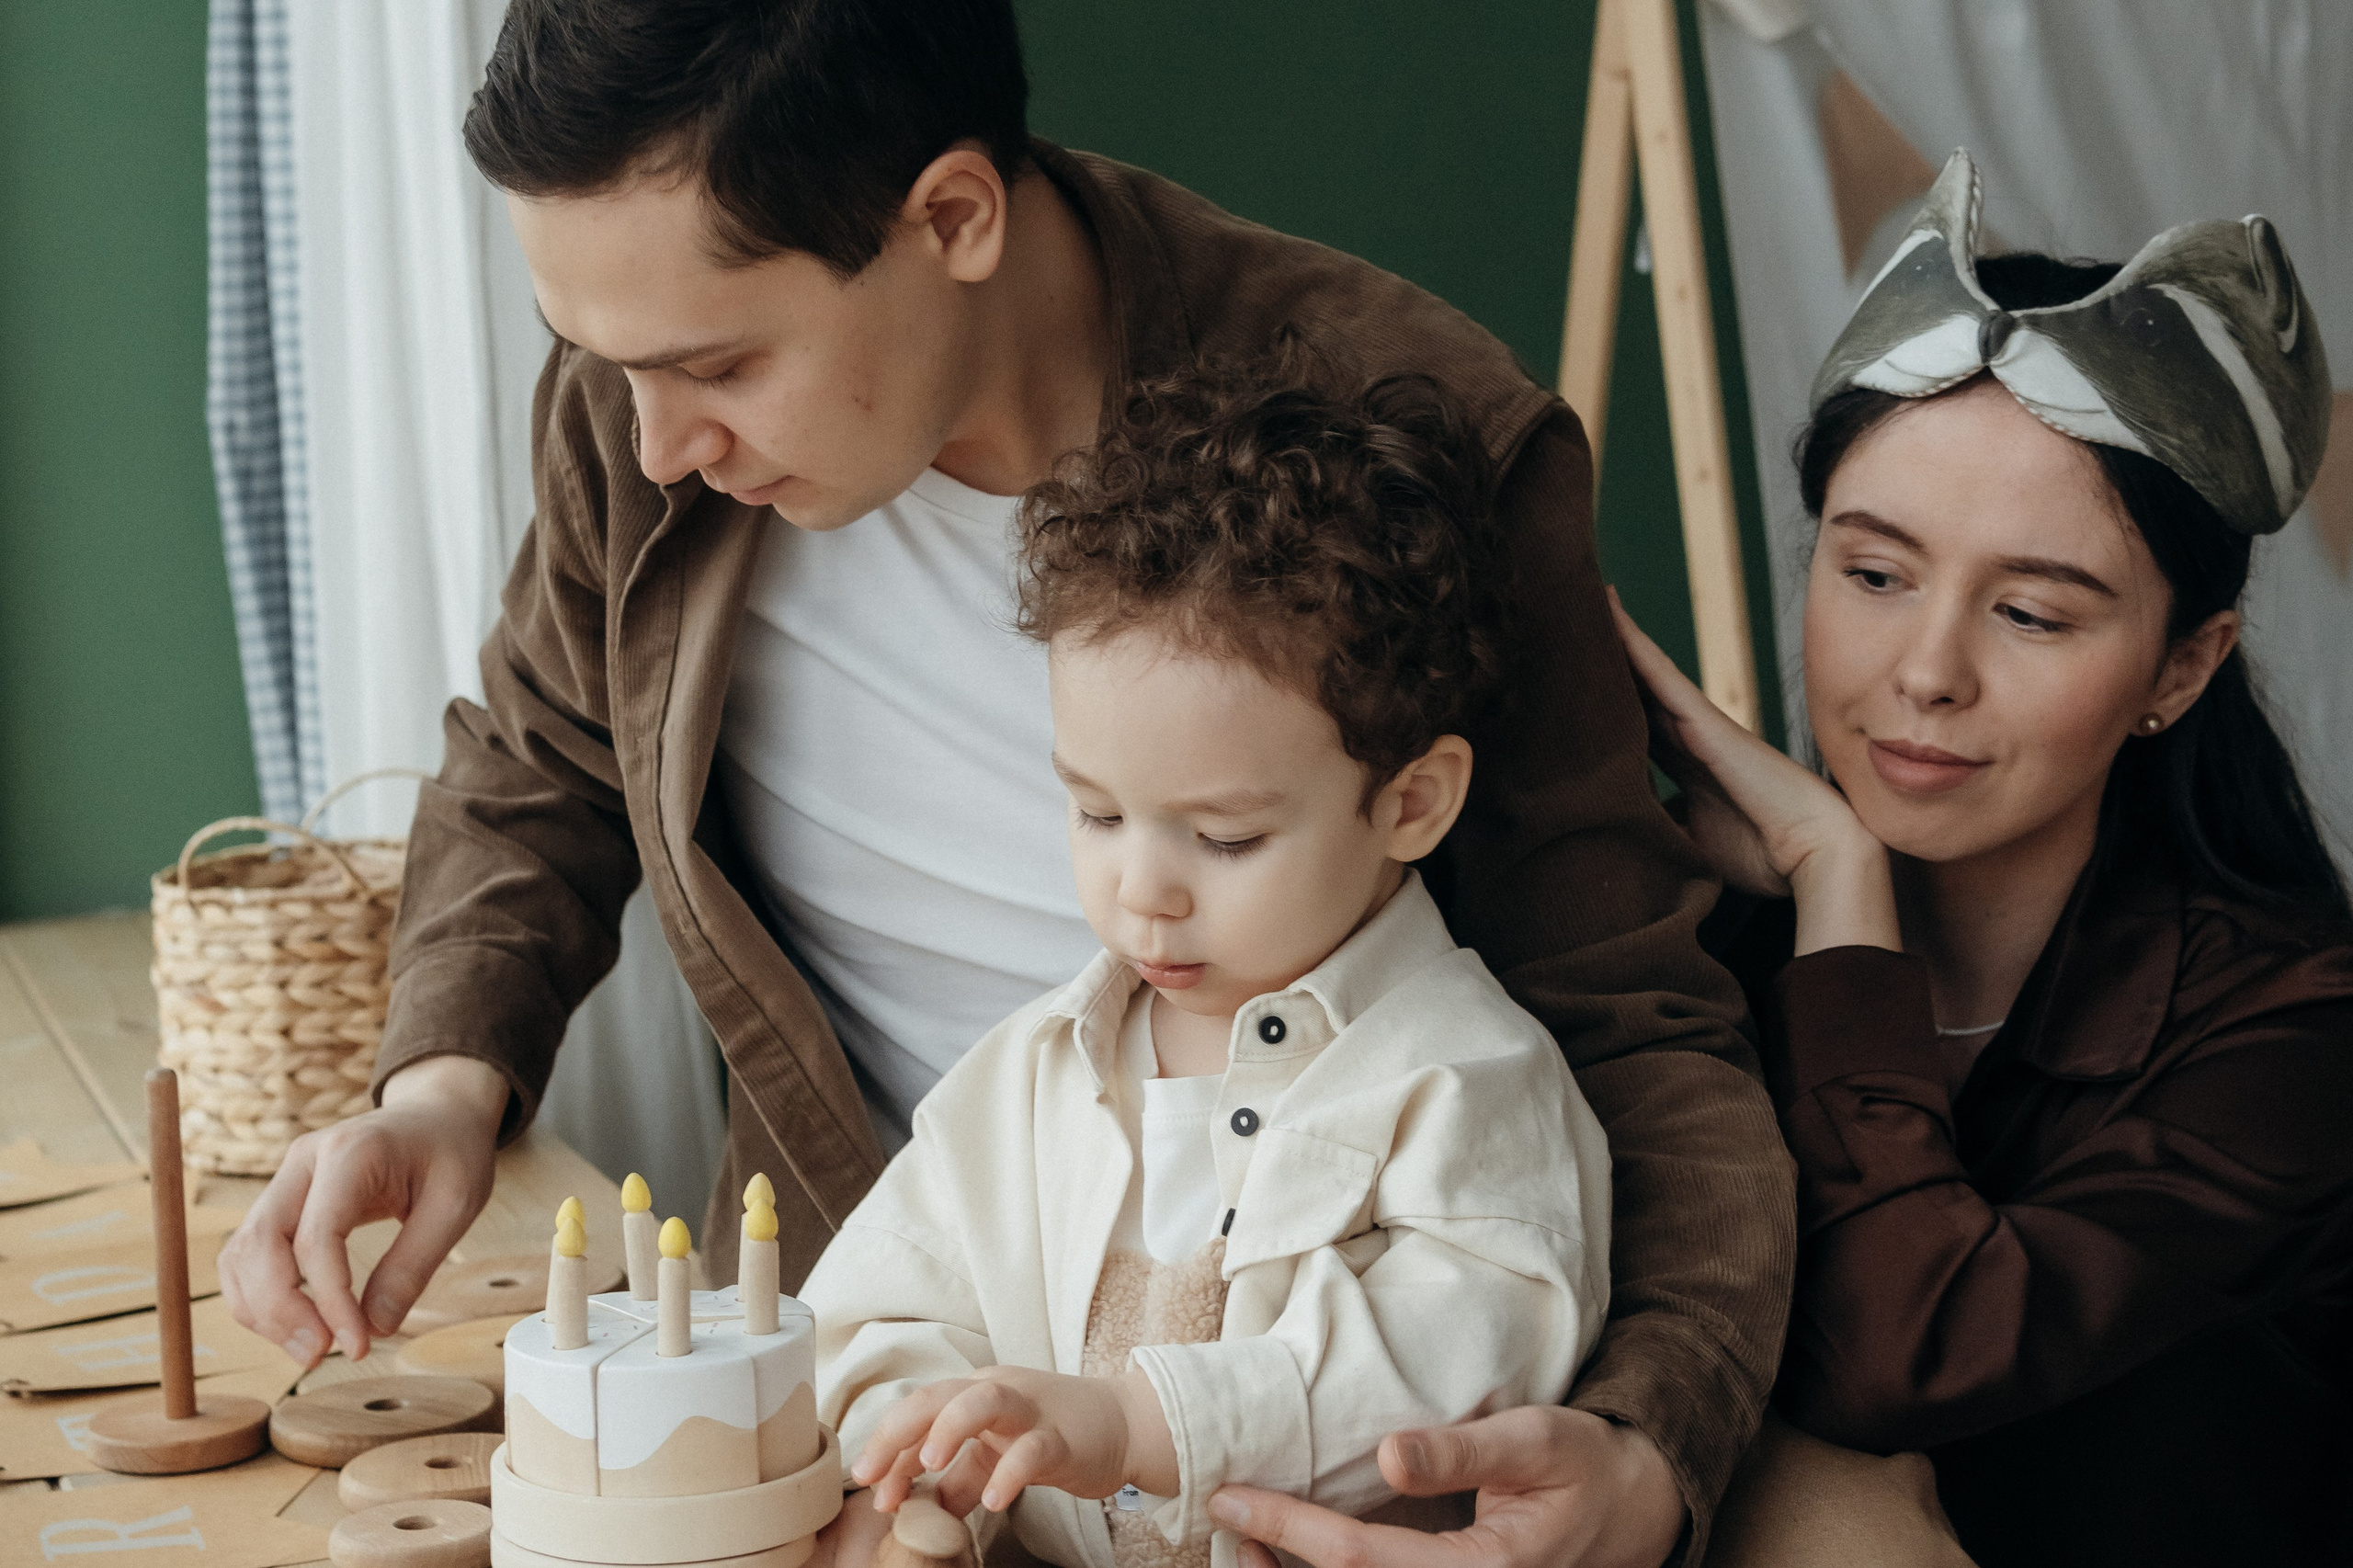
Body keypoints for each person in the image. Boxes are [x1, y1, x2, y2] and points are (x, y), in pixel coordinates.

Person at [213, 5, 1793, 1562]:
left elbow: (1632, 1022)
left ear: (954, 217)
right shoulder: (649, 412)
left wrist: (1650, 1445)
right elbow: (548, 745)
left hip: (1329, 1420)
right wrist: (440, 1090)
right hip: (897, 1387)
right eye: (600, 360)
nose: (655, 445)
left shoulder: (1406, 438)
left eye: (722, 364)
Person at [1611, 154, 2351, 1567]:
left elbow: (1897, 1350)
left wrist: (1842, 883)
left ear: (2183, 667)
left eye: (2031, 613)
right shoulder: (1687, 941)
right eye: (1873, 574)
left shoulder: (2297, 1028)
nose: (1927, 671)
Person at [805, 361, 1614, 1568]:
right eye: (1096, 812)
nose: (1143, 889)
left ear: (1410, 802)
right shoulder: (1030, 1072)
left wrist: (1135, 1425)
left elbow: (1450, 1361)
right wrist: (927, 1450)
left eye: (1225, 837)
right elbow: (883, 1301)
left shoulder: (1468, 1080)